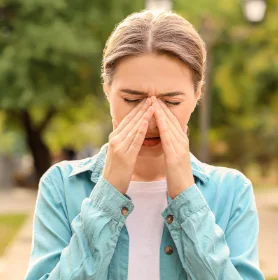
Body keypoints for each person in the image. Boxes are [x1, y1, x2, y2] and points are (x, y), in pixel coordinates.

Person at [25, 10, 264, 280]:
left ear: (197, 95)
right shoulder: (61, 186)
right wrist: (107, 196)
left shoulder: (231, 192)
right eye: (132, 99)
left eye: (171, 102)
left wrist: (186, 198)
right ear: (107, 89)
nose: (151, 118)